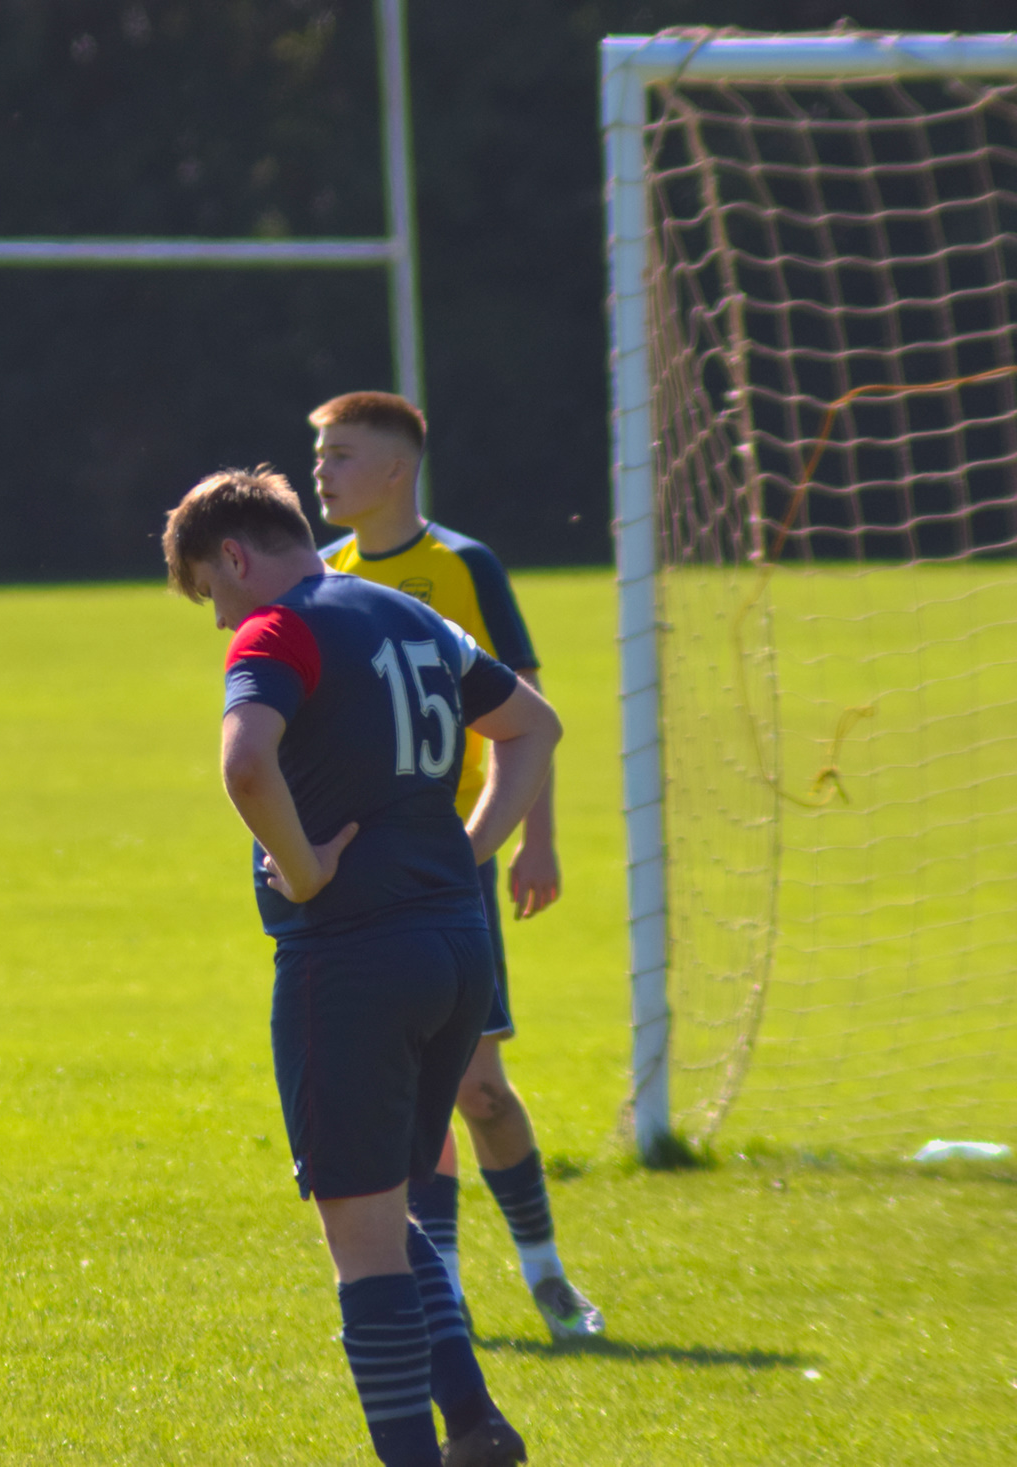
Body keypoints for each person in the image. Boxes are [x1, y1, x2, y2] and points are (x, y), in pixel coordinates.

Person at [164, 467, 561, 1467]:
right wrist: (468, 849)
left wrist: (301, 872)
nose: (220, 624)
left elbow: (244, 763)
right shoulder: (410, 615)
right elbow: (533, 727)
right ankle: (471, 1423)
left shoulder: (276, 630)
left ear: (235, 558)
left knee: (359, 1238)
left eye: (211, 595)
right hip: (454, 949)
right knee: (386, 1208)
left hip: (351, 959)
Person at [308, 391, 604, 1340]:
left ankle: (546, 1267)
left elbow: (526, 712)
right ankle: (445, 1292)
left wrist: (530, 839)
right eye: (319, 454)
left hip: (456, 852)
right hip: (365, 866)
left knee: (477, 1089)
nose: (322, 470)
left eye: (340, 454)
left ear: (395, 469)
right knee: (409, 1093)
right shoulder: (322, 574)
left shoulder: (463, 566)